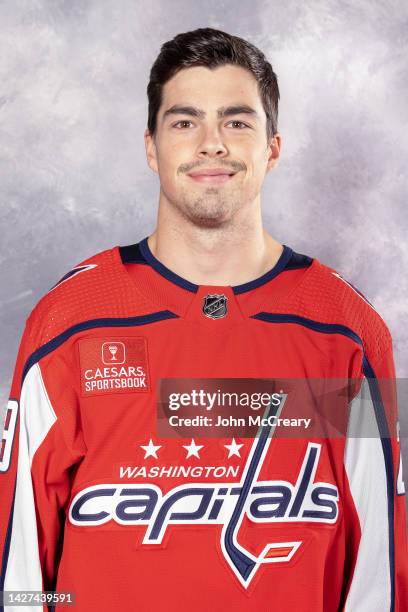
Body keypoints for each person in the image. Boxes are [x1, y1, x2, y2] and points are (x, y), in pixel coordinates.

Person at [1, 27, 407, 612]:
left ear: (272, 147)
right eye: (185, 121)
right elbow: (20, 568)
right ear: (151, 147)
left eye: (237, 122)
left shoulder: (346, 330)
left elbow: (379, 574)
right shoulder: (71, 322)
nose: (211, 143)